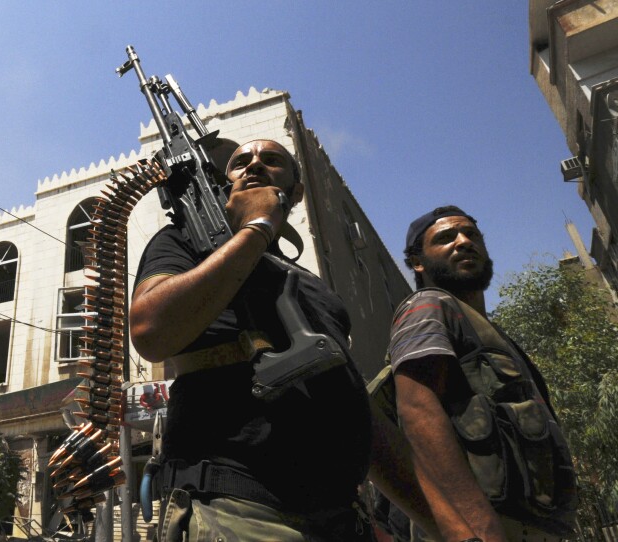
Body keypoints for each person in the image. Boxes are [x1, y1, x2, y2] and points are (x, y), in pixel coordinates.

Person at [129, 139, 453, 541]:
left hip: (341, 519)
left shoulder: (314, 288)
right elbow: (150, 330)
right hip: (239, 509)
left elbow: (351, 405)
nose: (254, 166)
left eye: (273, 161)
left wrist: (447, 526)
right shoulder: (183, 242)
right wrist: (256, 229)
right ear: (223, 182)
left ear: (297, 191)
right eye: (241, 163)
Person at [387, 205, 578, 542]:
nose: (463, 242)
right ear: (418, 262)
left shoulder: (496, 337)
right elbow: (418, 411)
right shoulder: (428, 306)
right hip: (488, 527)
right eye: (445, 238)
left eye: (472, 235)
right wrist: (477, 528)